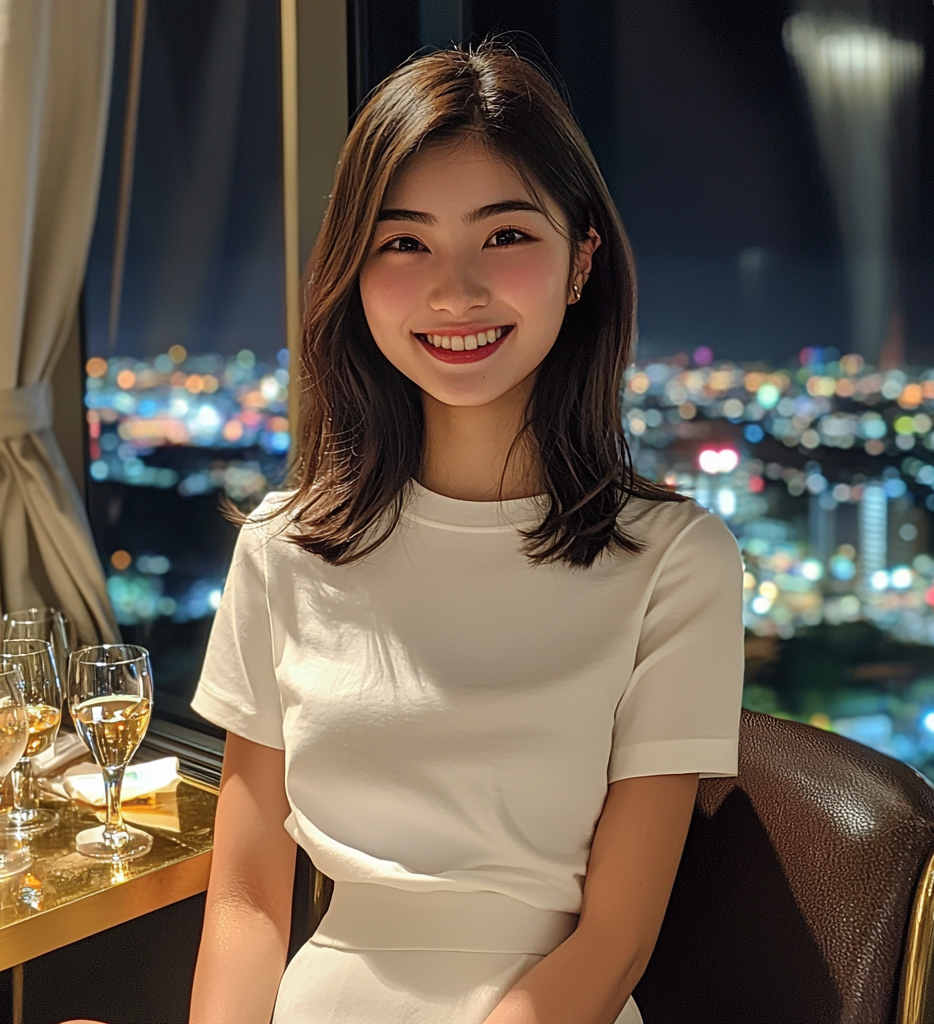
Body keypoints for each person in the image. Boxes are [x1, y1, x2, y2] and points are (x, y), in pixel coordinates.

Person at [187, 42, 744, 1024]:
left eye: (503, 237)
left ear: (581, 261)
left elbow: (614, 939)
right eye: (404, 242)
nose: (453, 291)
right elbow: (243, 899)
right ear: (354, 272)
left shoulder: (674, 562)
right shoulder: (283, 546)